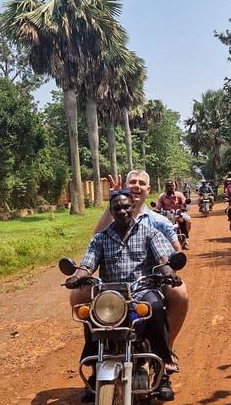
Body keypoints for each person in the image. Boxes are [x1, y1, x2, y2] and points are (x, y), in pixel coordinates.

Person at [67, 191, 180, 402]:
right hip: (111, 296)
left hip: (142, 291)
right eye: (117, 208)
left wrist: (169, 273)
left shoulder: (149, 233)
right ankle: (94, 374)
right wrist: (77, 276)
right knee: (90, 317)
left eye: (126, 206)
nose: (122, 211)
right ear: (111, 211)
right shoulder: (100, 239)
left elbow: (163, 260)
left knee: (155, 308)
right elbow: (87, 265)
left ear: (132, 207)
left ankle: (163, 371)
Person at [93, 170, 189, 369]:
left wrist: (167, 272)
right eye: (132, 182)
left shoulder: (157, 223)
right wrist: (114, 197)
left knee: (179, 292)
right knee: (79, 296)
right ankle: (95, 360)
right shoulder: (110, 223)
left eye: (141, 183)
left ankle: (165, 350)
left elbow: (173, 253)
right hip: (114, 285)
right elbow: (95, 242)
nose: (136, 186)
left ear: (148, 189)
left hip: (150, 282)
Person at [156, 180, 191, 249]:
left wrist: (185, 207)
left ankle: (185, 240)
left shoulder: (179, 195)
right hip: (166, 215)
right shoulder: (162, 196)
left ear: (174, 187)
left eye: (171, 186)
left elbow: (185, 203)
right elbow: (158, 207)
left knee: (188, 220)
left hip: (178, 214)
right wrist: (157, 210)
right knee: (157, 223)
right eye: (168, 186)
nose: (170, 188)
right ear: (165, 187)